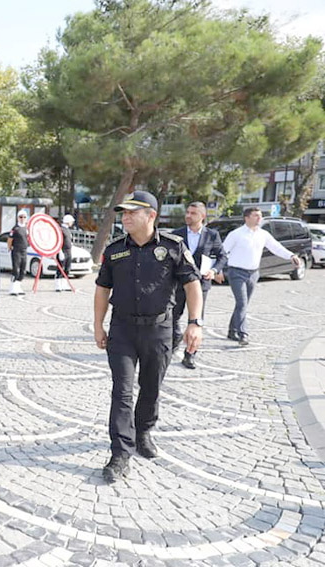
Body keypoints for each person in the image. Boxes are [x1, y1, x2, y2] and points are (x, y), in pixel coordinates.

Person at [93, 191, 202, 484]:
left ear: (150, 215)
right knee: (122, 390)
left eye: (132, 212)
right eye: (123, 213)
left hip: (159, 330)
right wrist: (97, 325)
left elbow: (193, 285)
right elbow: (102, 288)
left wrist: (195, 322)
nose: (125, 217)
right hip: (123, 330)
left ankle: (143, 431)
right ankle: (120, 453)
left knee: (151, 386)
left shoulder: (173, 247)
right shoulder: (115, 249)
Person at [223, 206, 301, 346]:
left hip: (253, 273)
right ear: (247, 218)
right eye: (256, 216)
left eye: (260, 216)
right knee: (242, 303)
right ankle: (243, 334)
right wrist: (215, 270)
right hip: (236, 272)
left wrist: (291, 255)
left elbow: (276, 247)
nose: (259, 218)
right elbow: (223, 252)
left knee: (243, 304)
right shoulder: (236, 234)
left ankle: (232, 330)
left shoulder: (263, 234)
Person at [171, 201, 228, 368]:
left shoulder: (212, 235)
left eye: (193, 213)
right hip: (179, 283)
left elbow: (222, 256)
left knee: (196, 320)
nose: (188, 215)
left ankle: (190, 354)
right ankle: (174, 340)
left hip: (201, 284)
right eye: (187, 212)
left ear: (202, 216)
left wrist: (215, 270)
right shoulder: (177, 234)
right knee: (173, 315)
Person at [7, 210, 29, 295]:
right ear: (17, 218)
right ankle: (12, 288)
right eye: (20, 217)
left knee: (23, 270)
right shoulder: (15, 229)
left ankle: (18, 287)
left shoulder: (26, 228)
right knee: (16, 269)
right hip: (16, 251)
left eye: (24, 217)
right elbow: (10, 239)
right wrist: (10, 247)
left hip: (24, 251)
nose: (22, 219)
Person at [55, 214, 75, 292]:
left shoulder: (67, 230)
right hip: (62, 251)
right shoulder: (61, 229)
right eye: (71, 221)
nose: (72, 223)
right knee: (60, 268)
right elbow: (58, 241)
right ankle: (58, 285)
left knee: (67, 268)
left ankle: (64, 284)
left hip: (68, 251)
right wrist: (59, 251)